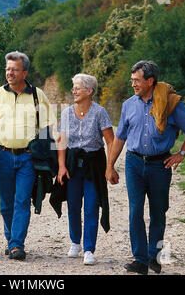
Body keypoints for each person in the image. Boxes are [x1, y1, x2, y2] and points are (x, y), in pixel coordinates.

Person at [106, 60, 185, 275]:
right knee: (135, 210)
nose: (133, 85)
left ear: (150, 81)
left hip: (160, 165)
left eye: (137, 81)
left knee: (158, 212)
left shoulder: (170, 104)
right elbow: (120, 138)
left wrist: (181, 153)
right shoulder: (128, 104)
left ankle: (154, 258)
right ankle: (139, 259)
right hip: (134, 163)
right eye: (132, 81)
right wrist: (109, 165)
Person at [0, 51, 56, 261]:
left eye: (14, 69)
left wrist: (46, 155)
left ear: (24, 72)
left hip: (27, 158)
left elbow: (47, 128)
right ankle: (11, 240)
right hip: (2, 155)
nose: (10, 73)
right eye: (8, 69)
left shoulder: (37, 95)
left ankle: (17, 244)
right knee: (6, 203)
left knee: (22, 200)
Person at [57, 74, 114, 265]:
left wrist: (110, 167)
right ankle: (75, 241)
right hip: (73, 165)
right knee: (73, 205)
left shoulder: (100, 112)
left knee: (91, 206)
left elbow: (110, 141)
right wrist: (62, 166)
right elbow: (62, 142)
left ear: (89, 91)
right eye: (73, 87)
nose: (73, 91)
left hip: (94, 165)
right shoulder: (66, 113)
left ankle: (89, 249)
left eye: (78, 88)